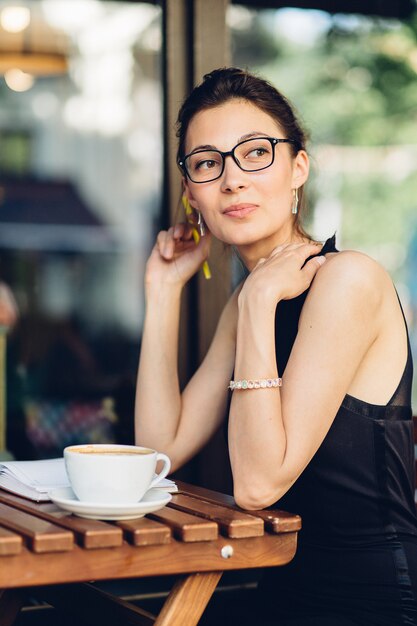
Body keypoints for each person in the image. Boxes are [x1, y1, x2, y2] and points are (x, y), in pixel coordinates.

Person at [135, 67, 417, 625]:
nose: (232, 179)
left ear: (298, 169)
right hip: (281, 589)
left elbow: (259, 486)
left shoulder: (347, 279)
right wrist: (163, 292)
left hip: (372, 598)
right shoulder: (248, 302)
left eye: (255, 153)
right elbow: (157, 448)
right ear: (192, 192)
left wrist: (260, 299)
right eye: (208, 162)